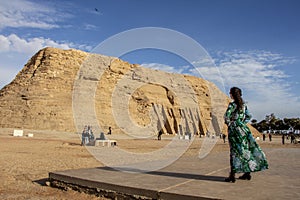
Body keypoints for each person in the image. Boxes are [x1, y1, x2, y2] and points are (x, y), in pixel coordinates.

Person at [224, 87, 268, 183]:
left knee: (234, 151)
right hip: (243, 129)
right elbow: (249, 116)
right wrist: (242, 123)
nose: (229, 95)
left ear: (233, 94)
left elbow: (226, 116)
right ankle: (247, 173)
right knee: (245, 150)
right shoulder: (244, 106)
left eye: (230, 93)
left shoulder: (232, 105)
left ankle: (232, 175)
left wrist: (231, 124)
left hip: (234, 130)